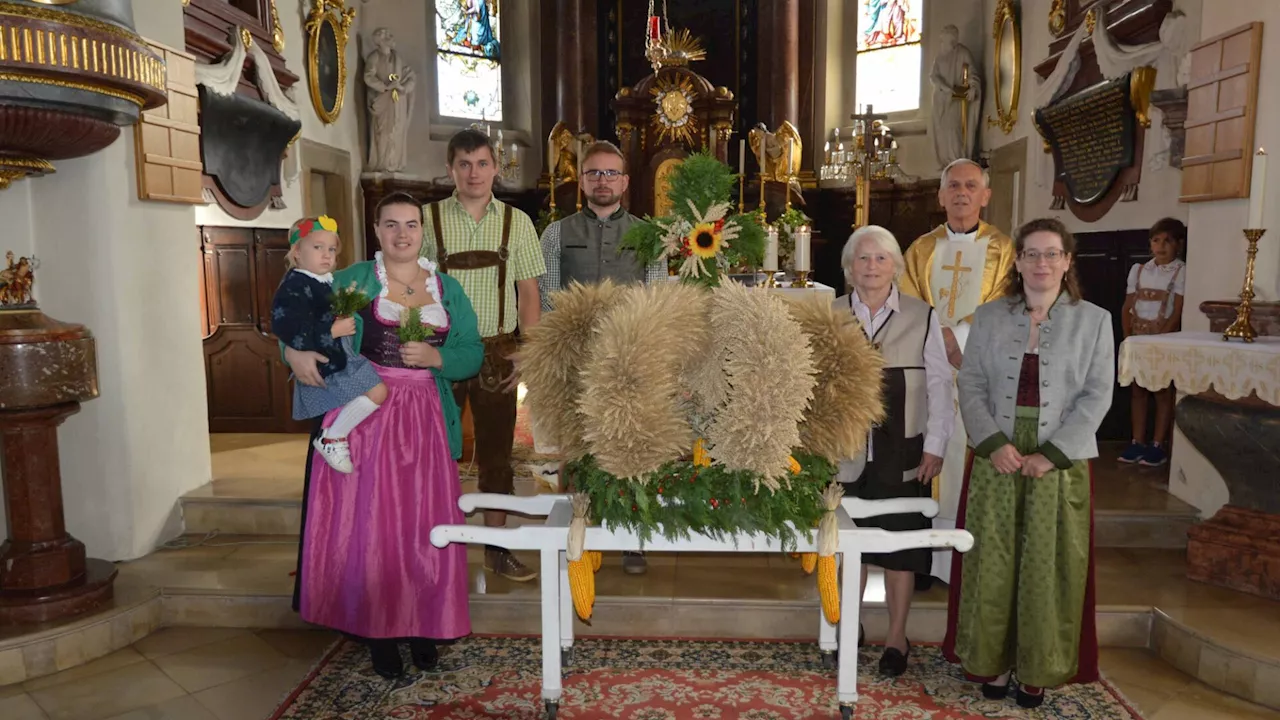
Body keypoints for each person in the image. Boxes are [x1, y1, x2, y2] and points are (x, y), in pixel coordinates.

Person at [285, 192, 484, 678]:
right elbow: (295, 312)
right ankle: (379, 632)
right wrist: (292, 352)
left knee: (424, 525)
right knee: (374, 528)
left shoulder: (447, 288)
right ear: (376, 230)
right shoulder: (352, 278)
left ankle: (424, 625)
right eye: (391, 224)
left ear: (422, 231)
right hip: (366, 416)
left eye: (411, 224)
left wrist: (439, 359)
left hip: (426, 421)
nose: (402, 234)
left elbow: (472, 349)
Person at [944, 217, 1113, 708]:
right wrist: (993, 441)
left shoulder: (1095, 320)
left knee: (1047, 562)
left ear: (1067, 261)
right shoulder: (992, 316)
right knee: (992, 558)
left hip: (1059, 458)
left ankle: (1037, 667)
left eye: (1051, 254)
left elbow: (1097, 395)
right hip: (999, 449)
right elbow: (971, 383)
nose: (1041, 263)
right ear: (1017, 262)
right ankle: (992, 662)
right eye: (1032, 254)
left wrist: (1053, 454)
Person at [537, 139, 667, 575]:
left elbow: (659, 294)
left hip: (629, 353)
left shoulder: (649, 234)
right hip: (576, 354)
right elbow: (547, 293)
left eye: (611, 173)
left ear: (626, 182)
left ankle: (634, 536)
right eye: (594, 173)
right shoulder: (557, 232)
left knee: (631, 445)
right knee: (578, 446)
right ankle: (582, 531)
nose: (603, 181)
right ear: (583, 181)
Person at [424, 128, 545, 582]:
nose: (473, 173)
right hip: (440, 352)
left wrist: (528, 352)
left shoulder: (518, 223)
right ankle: (437, 549)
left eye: (481, 163)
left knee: (497, 456)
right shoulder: (426, 219)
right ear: (450, 168)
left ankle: (496, 549)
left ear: (496, 167)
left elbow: (529, 293)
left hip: (498, 351)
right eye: (464, 164)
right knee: (436, 452)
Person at [834, 225, 954, 677]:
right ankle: (851, 625)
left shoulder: (923, 316)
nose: (871, 267)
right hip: (845, 452)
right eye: (863, 259)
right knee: (850, 546)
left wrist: (936, 446)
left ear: (896, 268)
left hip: (903, 450)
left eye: (881, 258)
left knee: (902, 550)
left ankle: (897, 636)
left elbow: (940, 386)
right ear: (849, 269)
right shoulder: (832, 314)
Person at [900, 158, 1015, 586]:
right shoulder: (920, 249)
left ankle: (965, 558)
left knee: (966, 460)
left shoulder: (1004, 250)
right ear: (940, 195)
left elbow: (1005, 307)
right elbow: (910, 305)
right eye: (953, 185)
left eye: (971, 185)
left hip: (977, 372)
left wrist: (959, 340)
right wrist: (940, 341)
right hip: (930, 371)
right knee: (930, 454)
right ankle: (926, 558)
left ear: (986, 195)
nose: (961, 193)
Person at [271, 215, 388, 474]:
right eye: (317, 247)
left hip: (339, 358)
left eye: (332, 249)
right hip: (328, 366)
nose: (326, 255)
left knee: (378, 393)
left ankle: (333, 436)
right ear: (297, 253)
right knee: (377, 392)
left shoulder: (323, 281)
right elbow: (286, 327)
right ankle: (332, 437)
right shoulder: (295, 286)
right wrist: (332, 330)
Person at [1119, 217, 1186, 467]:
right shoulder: (1139, 270)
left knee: (1161, 390)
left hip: (1162, 339)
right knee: (1137, 390)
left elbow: (1177, 310)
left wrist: (1161, 339)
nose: (1161, 246)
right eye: (1156, 240)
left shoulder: (1180, 270)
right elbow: (1128, 306)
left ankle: (1158, 444)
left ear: (1178, 244)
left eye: (1168, 241)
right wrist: (1128, 337)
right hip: (1138, 338)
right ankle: (1137, 441)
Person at [364, 28, 416, 174]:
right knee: (383, 132)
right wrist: (385, 87)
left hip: (398, 101)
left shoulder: (397, 58)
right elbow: (368, 76)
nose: (391, 37)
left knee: (397, 130)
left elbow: (409, 76)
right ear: (380, 41)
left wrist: (401, 87)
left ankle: (394, 163)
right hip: (383, 101)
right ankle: (383, 163)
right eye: (387, 36)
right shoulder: (374, 57)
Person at [929, 25, 981, 167]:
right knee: (943, 133)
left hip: (958, 100)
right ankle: (948, 163)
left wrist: (973, 87)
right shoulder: (939, 57)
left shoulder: (963, 53)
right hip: (942, 100)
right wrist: (944, 87)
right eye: (946, 41)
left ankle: (957, 161)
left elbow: (973, 74)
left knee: (954, 130)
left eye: (952, 41)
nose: (949, 44)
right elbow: (933, 76)